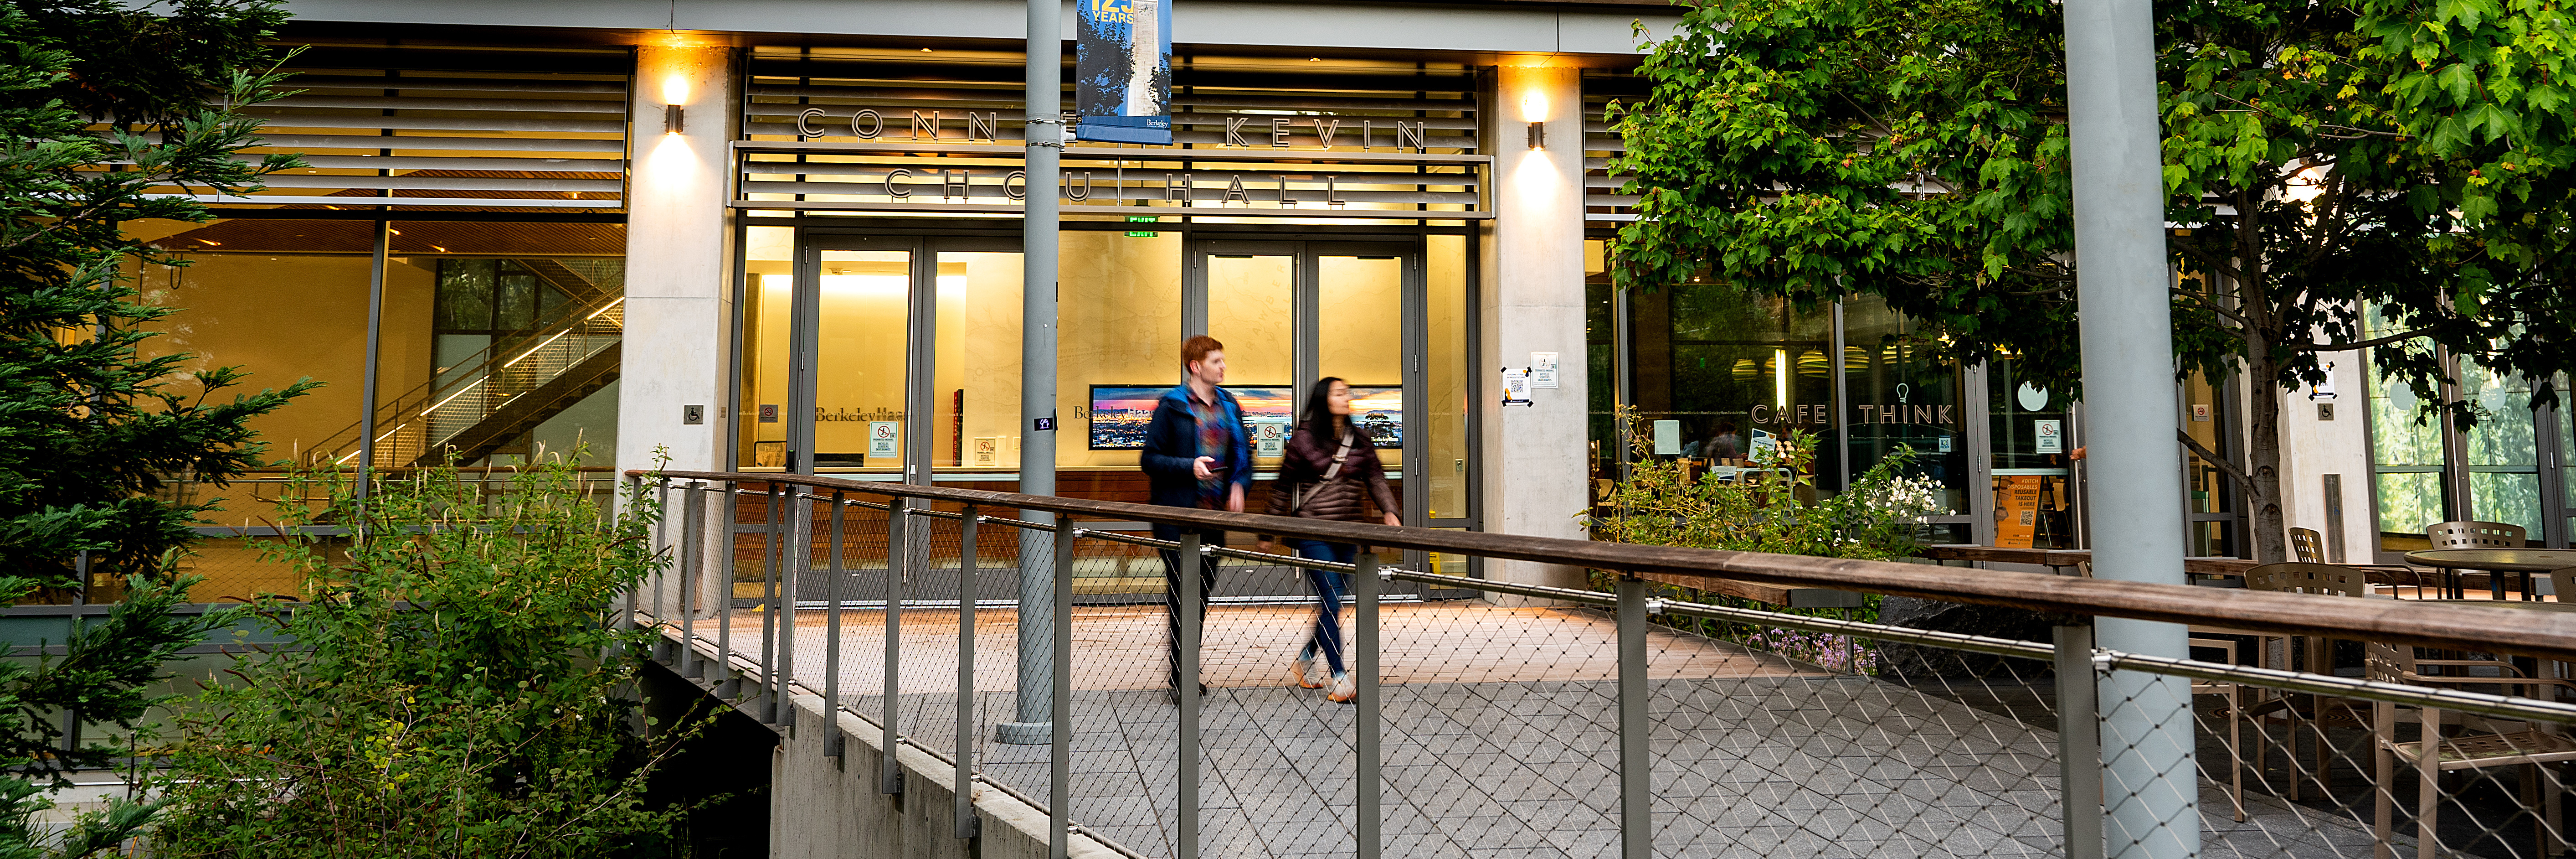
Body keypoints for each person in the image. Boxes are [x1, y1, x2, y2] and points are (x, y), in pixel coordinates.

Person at [1256, 378, 1400, 704]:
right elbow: (1282, 487)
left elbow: (1375, 478)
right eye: (1338, 393)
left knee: (1331, 604)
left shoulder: (1359, 438)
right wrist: (1266, 532)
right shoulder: (1305, 440)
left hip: (1349, 534)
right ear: (1324, 400)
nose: (1346, 397)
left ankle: (1305, 659)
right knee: (1333, 601)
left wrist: (1390, 511)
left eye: (1347, 392)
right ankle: (1338, 676)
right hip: (1313, 533)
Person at [1140, 335, 1251, 699]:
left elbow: (1244, 458)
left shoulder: (1229, 406)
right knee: (1182, 593)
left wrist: (1238, 483)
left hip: (1213, 520)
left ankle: (1185, 669)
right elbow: (1150, 460)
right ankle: (1182, 675)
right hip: (1175, 518)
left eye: (1223, 360)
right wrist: (1189, 466)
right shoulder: (1171, 407)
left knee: (1200, 597)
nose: (1223, 367)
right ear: (1196, 366)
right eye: (1216, 361)